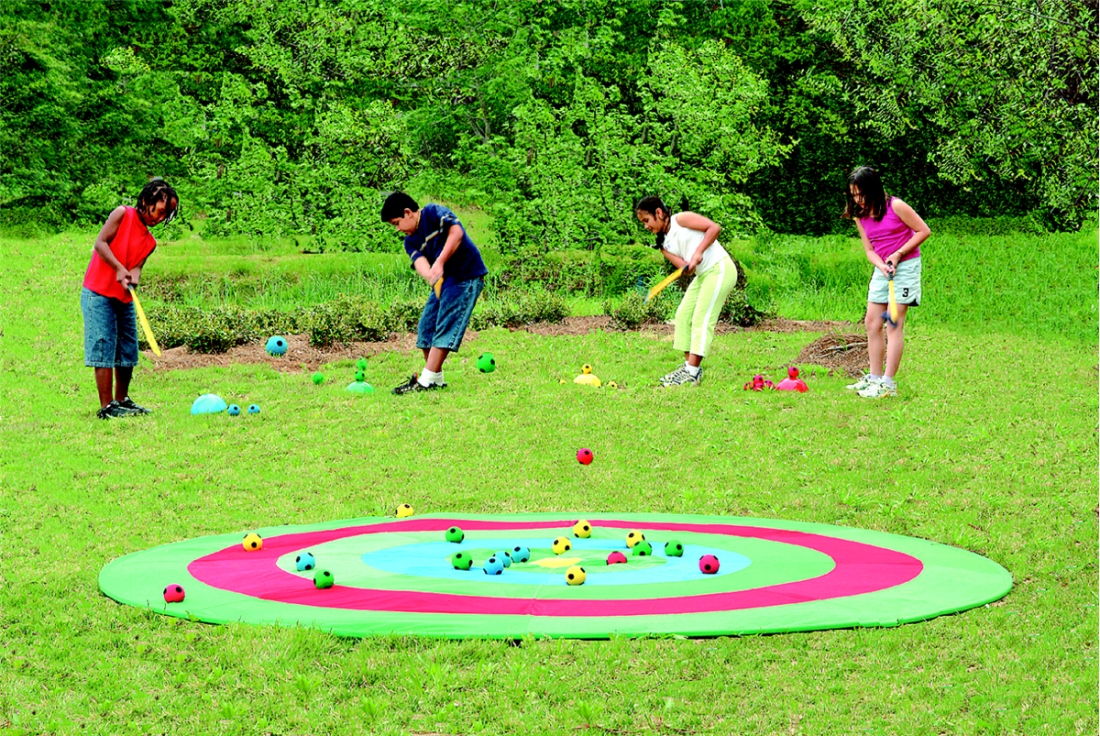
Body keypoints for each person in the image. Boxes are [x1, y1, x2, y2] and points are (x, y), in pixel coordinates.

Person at [82, 179, 178, 419]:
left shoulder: (150, 242)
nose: (161, 218)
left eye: (167, 216)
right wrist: (117, 267)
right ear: (147, 201)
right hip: (98, 293)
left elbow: (136, 268)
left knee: (127, 348)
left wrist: (132, 276)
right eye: (161, 211)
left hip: (124, 298)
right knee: (103, 345)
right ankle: (107, 407)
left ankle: (122, 400)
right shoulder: (122, 214)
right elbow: (100, 243)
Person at [380, 192, 488, 394]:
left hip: (466, 275)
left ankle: (425, 381)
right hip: (444, 282)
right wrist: (430, 274)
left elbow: (456, 233)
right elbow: (419, 261)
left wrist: (439, 262)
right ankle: (435, 379)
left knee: (446, 325)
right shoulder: (410, 241)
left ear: (408, 213)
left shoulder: (432, 213)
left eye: (396, 223)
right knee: (426, 327)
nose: (396, 229)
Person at [844, 166, 931, 399]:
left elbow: (924, 231)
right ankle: (873, 379)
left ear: (873, 189)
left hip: (906, 266)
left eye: (861, 194)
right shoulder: (859, 215)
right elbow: (870, 250)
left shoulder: (896, 206)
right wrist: (881, 265)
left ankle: (888, 385)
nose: (857, 200)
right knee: (872, 322)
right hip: (883, 269)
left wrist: (898, 254)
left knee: (893, 324)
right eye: (854, 195)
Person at [636, 196, 739, 387]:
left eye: (646, 221)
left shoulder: (680, 220)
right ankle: (689, 369)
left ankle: (691, 373)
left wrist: (698, 252)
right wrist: (687, 266)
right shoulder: (664, 246)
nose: (646, 227)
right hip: (702, 275)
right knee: (683, 315)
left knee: (701, 319)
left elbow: (714, 228)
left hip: (719, 269)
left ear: (659, 213)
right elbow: (685, 267)